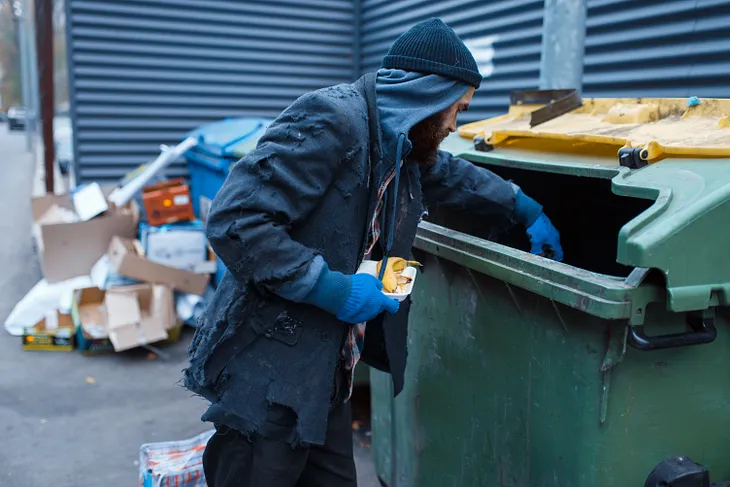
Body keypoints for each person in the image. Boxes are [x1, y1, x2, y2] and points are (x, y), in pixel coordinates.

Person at [184, 17, 563, 487]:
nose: (454, 124)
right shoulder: (331, 120)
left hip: (327, 371)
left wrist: (522, 206)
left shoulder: (398, 142)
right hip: (269, 374)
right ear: (427, 94)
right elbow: (236, 221)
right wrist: (332, 289)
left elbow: (448, 174)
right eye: (456, 109)